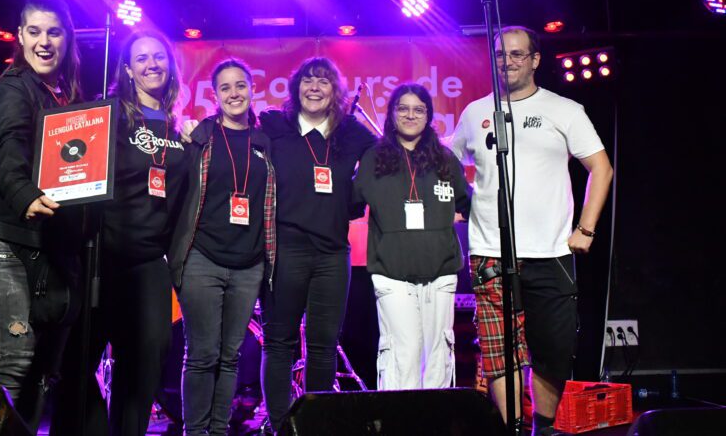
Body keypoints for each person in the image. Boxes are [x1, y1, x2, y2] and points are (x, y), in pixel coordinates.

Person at [450, 26, 613, 436]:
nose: (508, 62)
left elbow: (601, 168)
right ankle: (514, 431)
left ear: (536, 59)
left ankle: (543, 426)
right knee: (499, 354)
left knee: (553, 352)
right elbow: (446, 164)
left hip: (552, 252)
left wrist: (586, 230)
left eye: (518, 55)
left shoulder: (565, 109)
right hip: (491, 251)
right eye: (501, 55)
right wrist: (456, 206)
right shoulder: (474, 112)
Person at [52, 31, 187, 435]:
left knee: (143, 371)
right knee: (75, 366)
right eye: (141, 59)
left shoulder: (182, 132)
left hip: (149, 264)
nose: (152, 65)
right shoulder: (107, 115)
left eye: (158, 57)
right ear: (127, 69)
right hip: (100, 257)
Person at [0, 0, 84, 429]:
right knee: (13, 360)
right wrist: (23, 194)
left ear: (67, 37)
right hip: (6, 242)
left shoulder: (65, 96)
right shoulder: (14, 86)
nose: (44, 42)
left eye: (53, 32)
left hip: (51, 249)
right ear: (20, 36)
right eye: (34, 32)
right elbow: (8, 146)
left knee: (42, 372)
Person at [258, 57, 376, 431]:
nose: (314, 87)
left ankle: (314, 426)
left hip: (332, 253)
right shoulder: (275, 125)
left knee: (324, 346)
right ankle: (279, 426)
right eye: (307, 80)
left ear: (335, 91)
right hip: (286, 250)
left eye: (323, 81)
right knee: (279, 342)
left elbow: (385, 158)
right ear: (295, 88)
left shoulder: (353, 134)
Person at [168, 58, 276, 436]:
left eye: (241, 85)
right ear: (215, 95)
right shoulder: (199, 138)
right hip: (203, 260)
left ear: (252, 89)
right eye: (226, 88)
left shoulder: (265, 142)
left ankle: (217, 431)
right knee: (202, 355)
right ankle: (195, 432)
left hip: (249, 265)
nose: (234, 93)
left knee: (229, 358)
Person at [352, 82, 470, 390]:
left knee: (437, 357)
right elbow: (349, 205)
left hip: (441, 272)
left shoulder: (445, 160)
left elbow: (470, 204)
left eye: (418, 109)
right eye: (402, 108)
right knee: (402, 355)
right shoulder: (373, 159)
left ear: (429, 116)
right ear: (391, 114)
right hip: (391, 274)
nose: (410, 115)